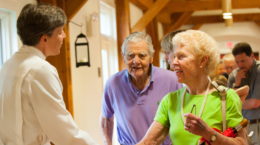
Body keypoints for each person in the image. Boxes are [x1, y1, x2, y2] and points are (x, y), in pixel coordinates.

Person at [0, 4, 98, 145]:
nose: (64, 36)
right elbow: (65, 133)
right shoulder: (40, 70)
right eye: (59, 32)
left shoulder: (8, 65)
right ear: (44, 38)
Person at [137, 30, 248, 145]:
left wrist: (208, 133)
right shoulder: (170, 100)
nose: (173, 62)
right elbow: (148, 142)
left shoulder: (226, 97)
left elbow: (241, 143)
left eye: (181, 57)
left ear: (203, 61)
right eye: (174, 56)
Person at [101, 32, 182, 145]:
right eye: (130, 55)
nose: (136, 61)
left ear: (151, 58)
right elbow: (106, 119)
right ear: (123, 57)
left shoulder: (172, 80)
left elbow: (182, 119)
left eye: (142, 55)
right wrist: (107, 143)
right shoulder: (113, 84)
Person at [227, 42, 260, 145]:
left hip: (257, 123)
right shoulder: (234, 75)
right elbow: (227, 104)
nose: (240, 65)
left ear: (252, 56)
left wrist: (234, 104)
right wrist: (236, 84)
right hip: (239, 126)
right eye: (237, 62)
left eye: (243, 61)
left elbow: (255, 103)